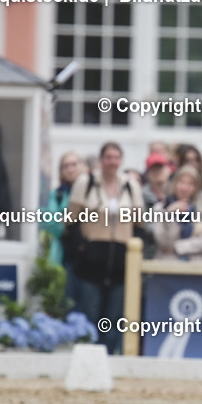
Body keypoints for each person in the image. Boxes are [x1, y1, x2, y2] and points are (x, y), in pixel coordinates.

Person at [65, 142, 145, 354]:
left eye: (116, 157)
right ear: (101, 160)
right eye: (108, 157)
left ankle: (110, 358)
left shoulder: (130, 185)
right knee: (90, 315)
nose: (112, 162)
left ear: (121, 160)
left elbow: (140, 224)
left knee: (114, 318)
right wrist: (82, 247)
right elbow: (71, 220)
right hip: (91, 262)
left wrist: (131, 251)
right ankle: (87, 358)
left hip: (120, 263)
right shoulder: (86, 182)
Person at [150, 166, 202, 261]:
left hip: (196, 264)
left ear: (196, 188)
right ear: (174, 184)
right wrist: (168, 214)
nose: (184, 188)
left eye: (190, 184)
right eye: (181, 182)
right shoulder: (160, 208)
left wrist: (177, 247)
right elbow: (162, 241)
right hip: (168, 263)